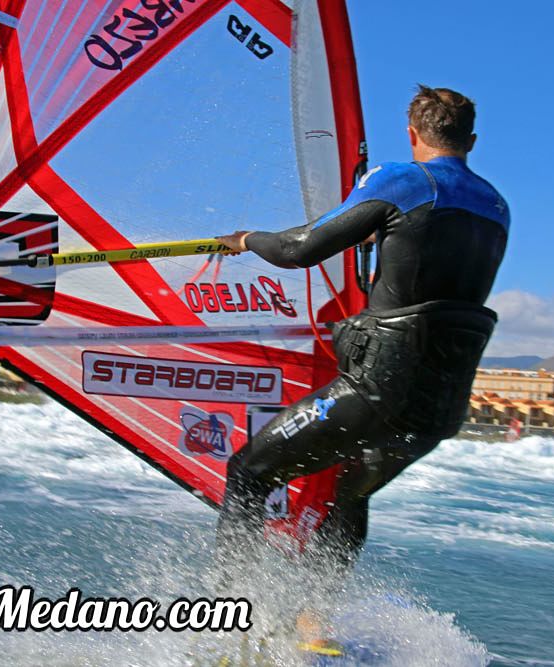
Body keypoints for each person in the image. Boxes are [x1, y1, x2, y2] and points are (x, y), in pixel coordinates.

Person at [215, 84, 510, 642]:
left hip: (379, 385)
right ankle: (311, 624)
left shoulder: (402, 180)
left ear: (412, 134)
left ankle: (233, 623)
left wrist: (247, 238)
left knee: (249, 472)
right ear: (471, 140)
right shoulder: (496, 206)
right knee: (351, 492)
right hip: (440, 406)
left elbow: (301, 248)